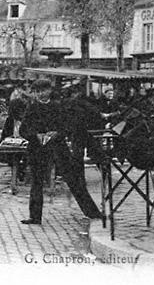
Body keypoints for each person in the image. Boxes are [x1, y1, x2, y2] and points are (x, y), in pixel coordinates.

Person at [19, 79, 102, 225]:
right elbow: (23, 130)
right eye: (37, 92)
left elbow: (68, 126)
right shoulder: (31, 108)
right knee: (37, 182)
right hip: (37, 148)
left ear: (49, 91)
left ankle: (92, 212)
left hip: (58, 148)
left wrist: (56, 134)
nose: (40, 94)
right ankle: (35, 216)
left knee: (73, 180)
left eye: (42, 91)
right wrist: (36, 135)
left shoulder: (58, 107)